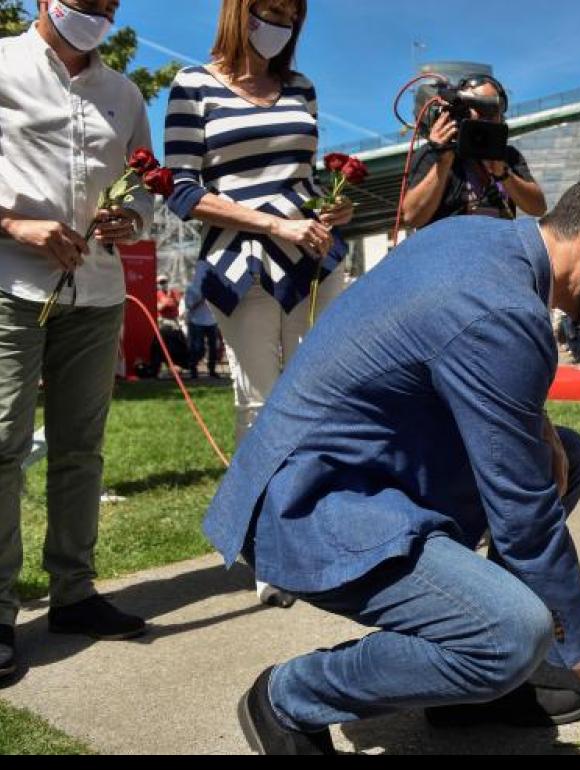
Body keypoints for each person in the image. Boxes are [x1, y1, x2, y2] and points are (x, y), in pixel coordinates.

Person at [203, 174, 580, 754]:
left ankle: (473, 694)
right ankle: (289, 697)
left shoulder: (484, 240)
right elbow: (525, 519)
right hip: (311, 504)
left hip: (361, 469)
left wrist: (538, 425)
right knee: (510, 634)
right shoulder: (502, 308)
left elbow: (455, 356)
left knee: (565, 455)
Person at [164, 0, 354, 608]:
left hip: (311, 258)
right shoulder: (192, 85)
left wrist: (330, 208)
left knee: (324, 397)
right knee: (260, 401)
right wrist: (272, 225)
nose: (280, 25)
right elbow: (182, 190)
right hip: (240, 265)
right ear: (239, 12)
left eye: (291, 17)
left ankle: (320, 529)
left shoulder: (300, 86)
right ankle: (268, 545)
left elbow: (302, 178)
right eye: (269, 11)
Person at [1, 0, 153, 677]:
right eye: (83, 3)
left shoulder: (124, 92)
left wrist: (134, 220)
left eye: (106, 6)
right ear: (42, 2)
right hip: (11, 286)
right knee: (1, 446)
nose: (95, 13)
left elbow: (149, 186)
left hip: (95, 293)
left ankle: (73, 592)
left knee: (81, 450)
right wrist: (13, 226)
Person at [400, 75, 545, 229]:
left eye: (492, 110)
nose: (485, 118)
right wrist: (443, 159)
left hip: (499, 249)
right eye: (479, 108)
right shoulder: (433, 153)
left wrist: (504, 174)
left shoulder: (507, 155)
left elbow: (538, 208)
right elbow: (411, 217)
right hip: (450, 249)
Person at [184, 278, 222, 379]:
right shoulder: (191, 288)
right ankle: (193, 369)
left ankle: (212, 370)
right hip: (196, 321)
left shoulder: (213, 286)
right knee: (198, 347)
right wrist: (201, 299)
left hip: (212, 321)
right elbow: (189, 306)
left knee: (213, 347)